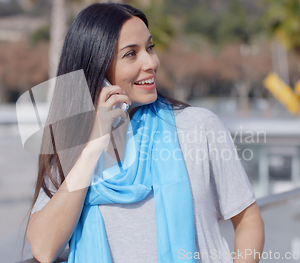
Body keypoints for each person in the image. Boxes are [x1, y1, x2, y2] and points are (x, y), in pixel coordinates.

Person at [25, 3, 264, 263]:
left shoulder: (198, 127)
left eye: (150, 47)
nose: (151, 62)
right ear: (96, 70)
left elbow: (248, 221)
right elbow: (44, 247)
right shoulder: (72, 145)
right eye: (131, 54)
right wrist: (94, 144)